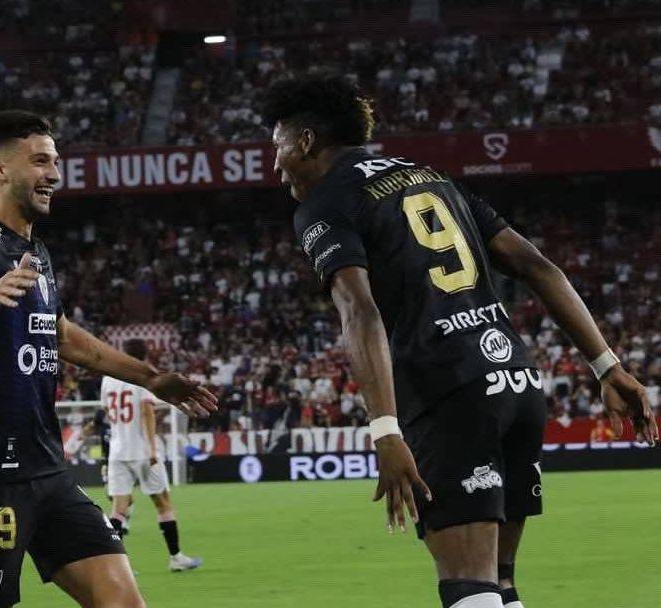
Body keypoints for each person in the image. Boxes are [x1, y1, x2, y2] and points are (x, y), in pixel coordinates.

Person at [264, 76, 658, 608]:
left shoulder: (327, 202)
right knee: (499, 584)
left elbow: (359, 309)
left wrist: (384, 430)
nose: (276, 164)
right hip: (515, 382)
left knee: (468, 586)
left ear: (306, 141)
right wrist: (607, 366)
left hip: (448, 394)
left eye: (278, 146)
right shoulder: (433, 178)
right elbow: (538, 266)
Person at [0, 110, 218, 608]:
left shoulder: (34, 252)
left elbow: (62, 337)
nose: (55, 174)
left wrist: (151, 378)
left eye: (55, 162)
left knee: (124, 602)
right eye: (40, 161)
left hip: (47, 470)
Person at [101, 339, 202, 572]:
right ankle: (176, 557)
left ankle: (116, 566)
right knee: (163, 503)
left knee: (118, 509)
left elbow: (106, 410)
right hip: (142, 451)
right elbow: (147, 412)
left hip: (118, 450)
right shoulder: (141, 376)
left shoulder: (108, 379)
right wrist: (152, 449)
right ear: (145, 355)